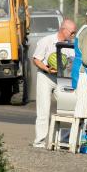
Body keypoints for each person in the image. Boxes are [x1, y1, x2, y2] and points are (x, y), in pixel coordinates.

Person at [32, 19, 77, 148]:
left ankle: (62, 140)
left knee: (66, 108)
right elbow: (36, 59)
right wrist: (47, 68)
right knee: (43, 110)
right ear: (64, 30)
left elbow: (71, 62)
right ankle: (39, 142)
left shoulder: (69, 45)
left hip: (60, 79)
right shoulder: (46, 41)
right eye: (72, 32)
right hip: (45, 76)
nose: (73, 35)